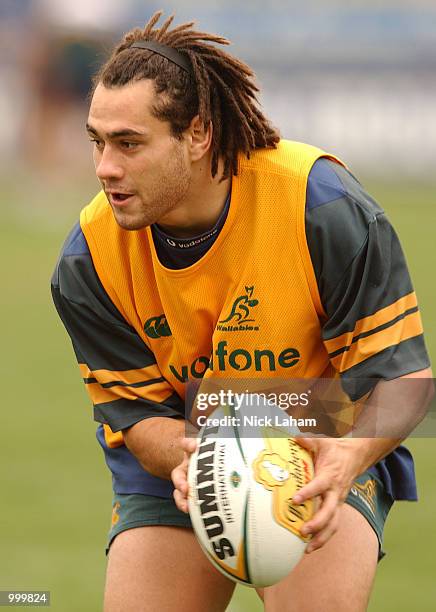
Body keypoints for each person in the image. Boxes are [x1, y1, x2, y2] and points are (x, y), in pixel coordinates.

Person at [51, 11, 432, 612]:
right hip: (186, 443)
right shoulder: (88, 260)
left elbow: (407, 379)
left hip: (320, 430)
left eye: (129, 143)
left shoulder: (319, 207)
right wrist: (201, 455)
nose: (105, 168)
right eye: (97, 141)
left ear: (198, 135)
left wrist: (349, 454)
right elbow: (140, 418)